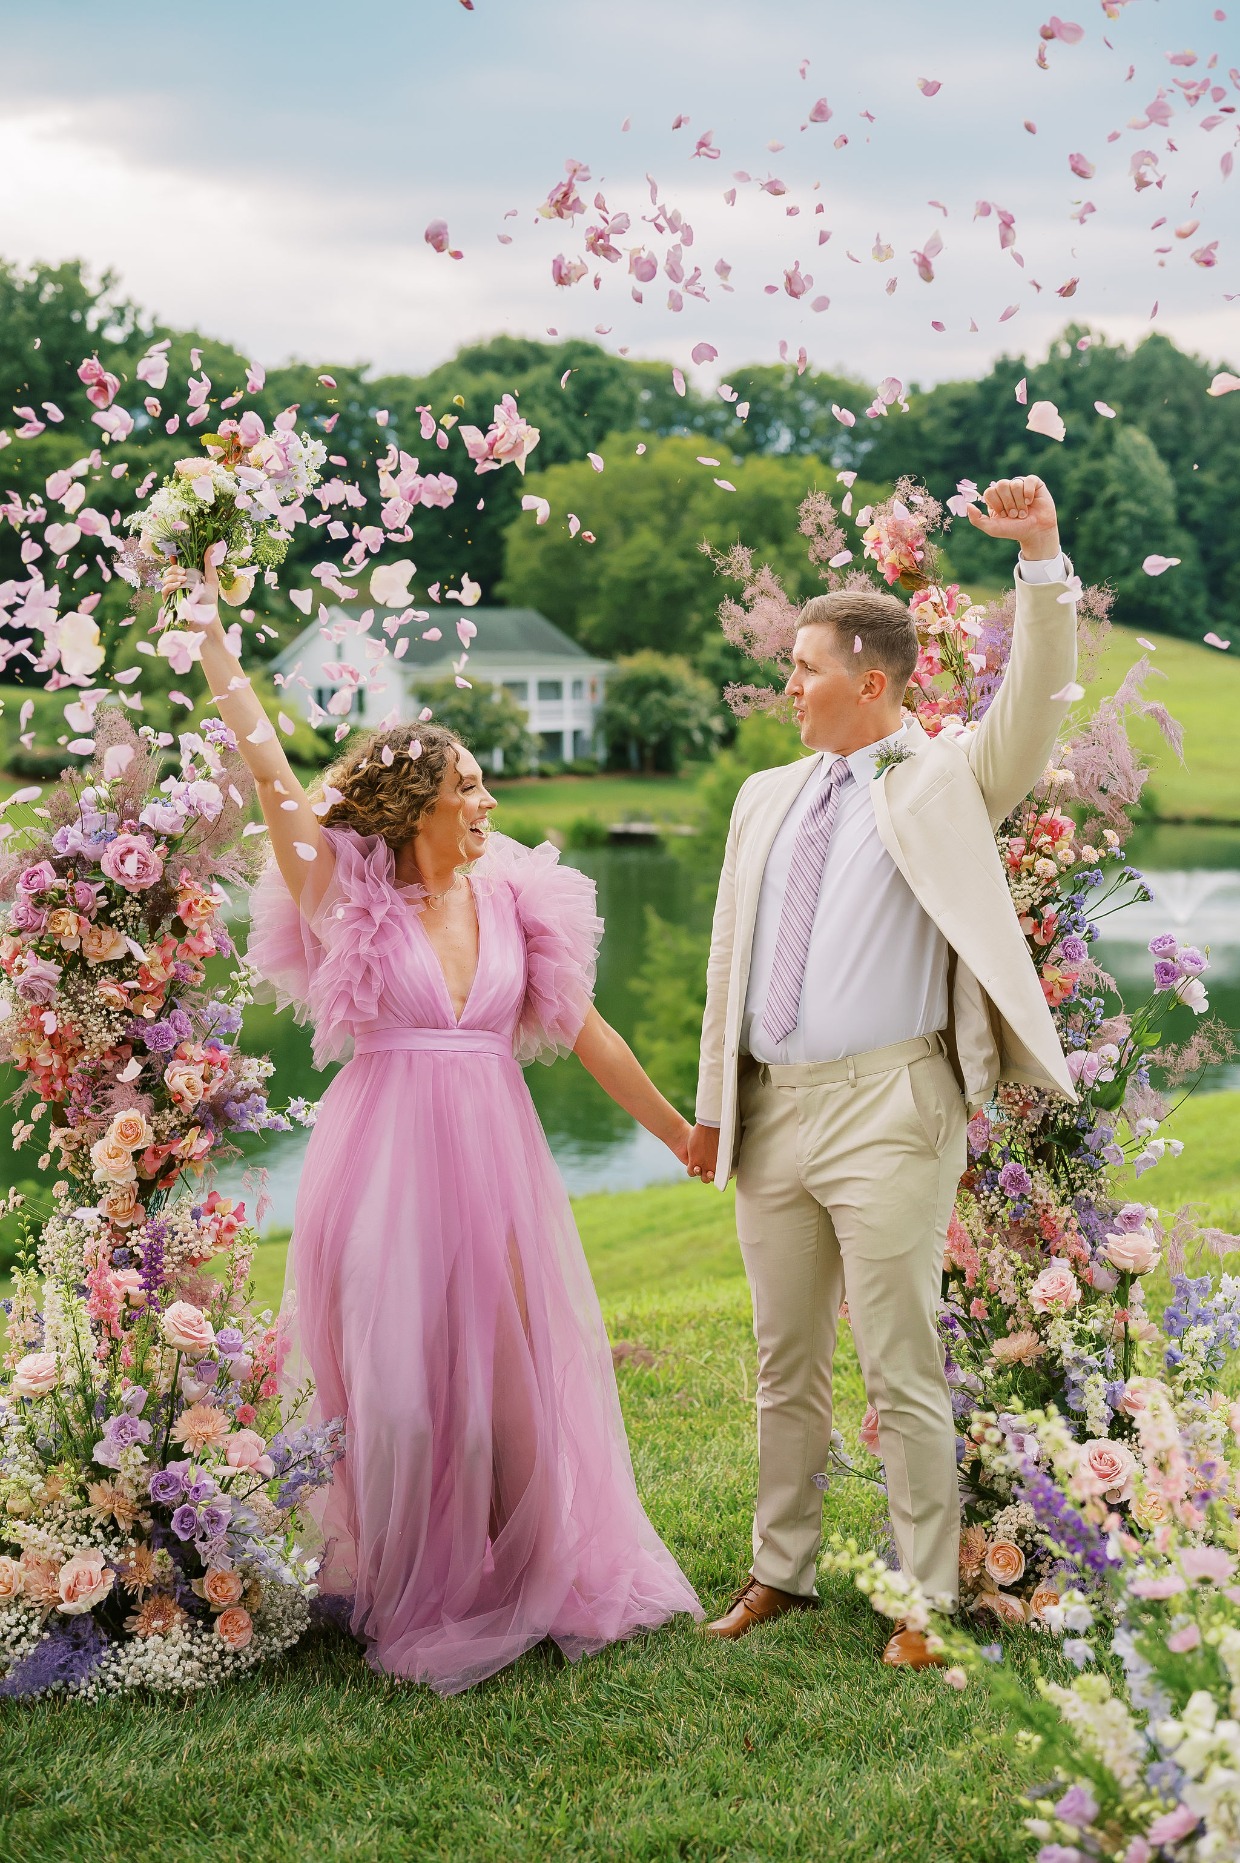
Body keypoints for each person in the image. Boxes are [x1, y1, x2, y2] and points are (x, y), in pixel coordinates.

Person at [161, 557, 702, 1695]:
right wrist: (209, 637)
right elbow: (269, 776)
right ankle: (409, 1582)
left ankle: (524, 1579)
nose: (490, 803)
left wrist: (677, 1133)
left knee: (510, 1382)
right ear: (417, 804)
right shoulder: (346, 895)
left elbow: (590, 1031)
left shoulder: (515, 894)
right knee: (400, 1391)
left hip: (496, 1155)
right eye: (469, 786)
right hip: (383, 1159)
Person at [685, 476, 1078, 1667]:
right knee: (781, 1359)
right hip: (774, 1109)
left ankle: (922, 1598)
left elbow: (1038, 704)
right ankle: (782, 1574)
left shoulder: (950, 775)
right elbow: (727, 972)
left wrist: (1041, 558)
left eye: (806, 669)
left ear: (873, 679)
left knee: (899, 1356)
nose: (788, 687)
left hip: (892, 1104)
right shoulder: (763, 797)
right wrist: (717, 1109)